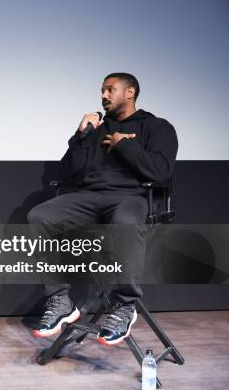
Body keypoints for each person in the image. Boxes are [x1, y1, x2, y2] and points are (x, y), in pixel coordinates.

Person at [28, 72, 178, 345]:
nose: (103, 96)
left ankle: (124, 305)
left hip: (131, 196)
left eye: (110, 90)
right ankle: (60, 300)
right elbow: (68, 173)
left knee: (124, 222)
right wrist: (79, 136)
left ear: (130, 92)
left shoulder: (157, 127)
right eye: (102, 90)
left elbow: (162, 172)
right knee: (40, 216)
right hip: (90, 197)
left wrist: (125, 146)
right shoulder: (96, 129)